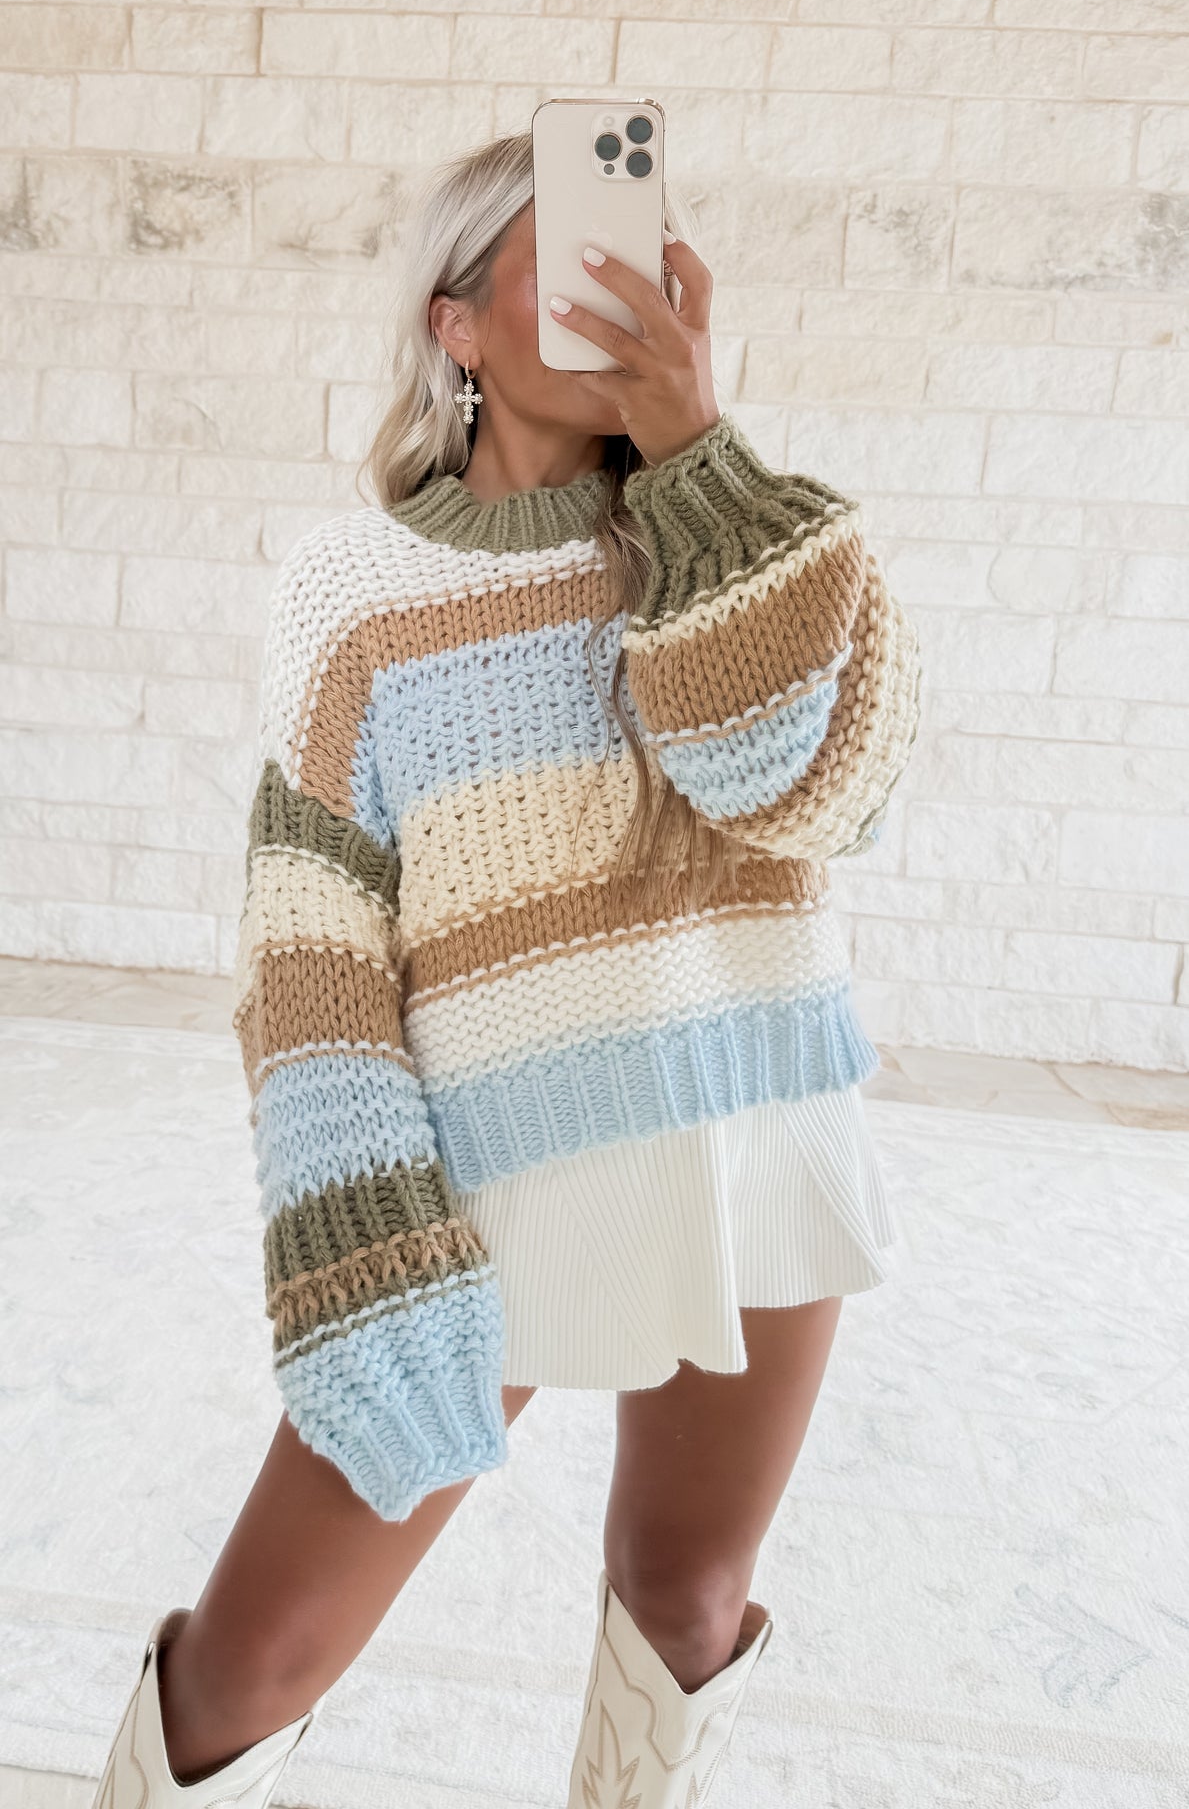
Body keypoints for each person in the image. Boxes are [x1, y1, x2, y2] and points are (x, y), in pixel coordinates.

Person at [90, 128, 922, 1809]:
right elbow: (309, 931)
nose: (628, 293)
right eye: (580, 261)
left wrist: (698, 459)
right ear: (455, 324)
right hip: (494, 1174)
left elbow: (805, 790)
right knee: (256, 1658)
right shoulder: (351, 586)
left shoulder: (765, 539)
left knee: (687, 1598)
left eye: (651, 259)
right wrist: (358, 1227)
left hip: (756, 1121)